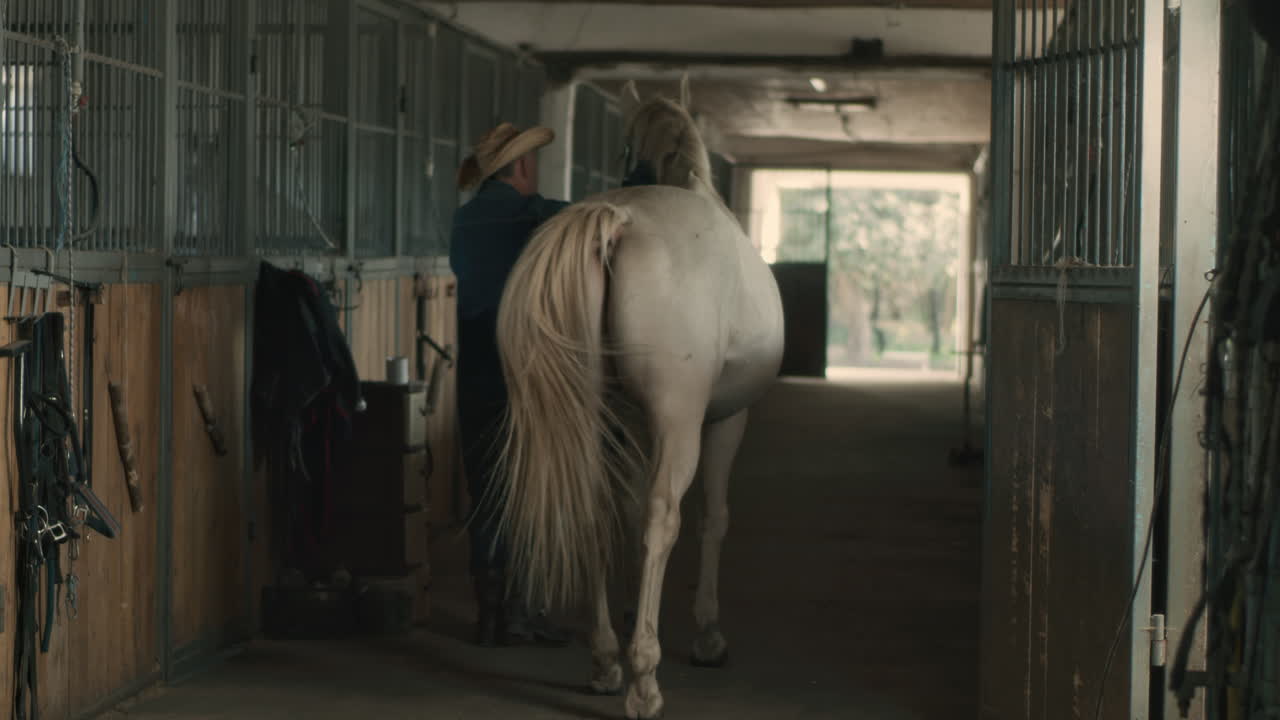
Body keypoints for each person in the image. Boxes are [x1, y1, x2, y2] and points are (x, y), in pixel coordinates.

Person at [449, 122, 572, 648]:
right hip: (524, 374)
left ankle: (489, 615)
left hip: (473, 372)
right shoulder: (534, 215)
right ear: (521, 168)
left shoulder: (465, 218)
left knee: (485, 497)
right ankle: (522, 616)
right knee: (529, 490)